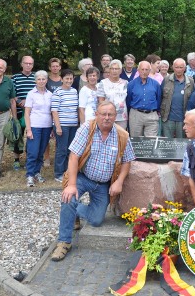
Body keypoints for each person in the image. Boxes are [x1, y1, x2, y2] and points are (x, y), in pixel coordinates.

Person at [50, 101, 135, 262]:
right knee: (68, 198)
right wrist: (72, 185)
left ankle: (75, 212)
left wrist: (119, 182)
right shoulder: (87, 129)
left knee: (96, 220)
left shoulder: (122, 135)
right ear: (97, 114)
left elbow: (127, 161)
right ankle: (64, 242)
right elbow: (74, 156)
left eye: (110, 114)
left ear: (115, 116)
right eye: (103, 114)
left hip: (103, 184)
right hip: (83, 177)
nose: (106, 118)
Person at [24, 70, 53, 187]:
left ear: (46, 80)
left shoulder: (50, 94)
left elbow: (52, 112)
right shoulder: (31, 94)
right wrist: (29, 129)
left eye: (43, 79)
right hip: (35, 126)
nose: (41, 81)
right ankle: (30, 175)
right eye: (39, 79)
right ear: (35, 80)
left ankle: (37, 172)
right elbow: (27, 113)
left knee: (41, 152)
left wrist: (52, 129)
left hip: (47, 126)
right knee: (33, 152)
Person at [51, 69, 79, 181]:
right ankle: (58, 173)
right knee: (61, 150)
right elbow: (54, 111)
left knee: (70, 150)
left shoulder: (74, 91)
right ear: (61, 79)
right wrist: (58, 127)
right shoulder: (58, 92)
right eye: (66, 78)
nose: (69, 80)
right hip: (62, 125)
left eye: (71, 78)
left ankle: (68, 171)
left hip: (73, 125)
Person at [11, 55, 36, 170]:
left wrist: (29, 101)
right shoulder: (15, 78)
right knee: (18, 136)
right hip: (20, 111)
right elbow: (12, 94)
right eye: (26, 63)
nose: (28, 65)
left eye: (30, 63)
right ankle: (16, 160)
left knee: (32, 137)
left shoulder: (36, 77)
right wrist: (20, 100)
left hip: (34, 114)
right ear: (21, 64)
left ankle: (29, 159)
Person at [126, 61, 162, 137]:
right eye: (142, 69)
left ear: (150, 70)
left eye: (146, 69)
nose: (144, 72)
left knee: (151, 142)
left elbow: (159, 99)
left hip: (151, 115)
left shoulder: (155, 84)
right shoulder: (131, 84)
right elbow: (128, 100)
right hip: (136, 114)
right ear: (138, 70)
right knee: (135, 141)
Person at [161, 58, 195, 138]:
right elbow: (160, 96)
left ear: (185, 68)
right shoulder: (166, 79)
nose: (179, 70)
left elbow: (193, 100)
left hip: (183, 119)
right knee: (167, 144)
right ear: (173, 67)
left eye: (181, 67)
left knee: (182, 144)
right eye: (176, 67)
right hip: (168, 118)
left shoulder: (191, 81)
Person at [97, 59, 129, 129]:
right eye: (112, 69)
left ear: (120, 71)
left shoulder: (125, 83)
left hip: (121, 117)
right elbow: (101, 101)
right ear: (109, 70)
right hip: (107, 116)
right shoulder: (103, 83)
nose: (114, 71)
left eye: (117, 69)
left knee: (120, 137)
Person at [43, 57, 63, 167]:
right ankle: (46, 158)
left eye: (57, 66)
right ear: (50, 68)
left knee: (58, 135)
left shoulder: (63, 79)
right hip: (47, 111)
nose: (55, 68)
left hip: (60, 112)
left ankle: (57, 157)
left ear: (60, 67)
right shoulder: (46, 80)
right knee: (47, 135)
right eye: (53, 66)